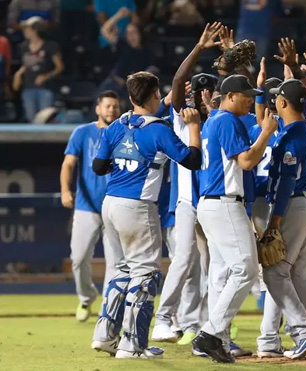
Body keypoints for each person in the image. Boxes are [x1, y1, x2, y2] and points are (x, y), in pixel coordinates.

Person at [90, 71, 202, 359]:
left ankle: (105, 336)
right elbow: (192, 160)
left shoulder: (116, 125)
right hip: (138, 206)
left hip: (110, 204)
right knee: (146, 275)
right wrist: (193, 127)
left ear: (129, 98)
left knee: (122, 271)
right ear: (154, 95)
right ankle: (133, 346)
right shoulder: (159, 129)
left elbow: (99, 167)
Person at [191, 74, 277, 363]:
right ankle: (211, 333)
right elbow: (246, 161)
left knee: (224, 274)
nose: (250, 99)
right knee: (247, 270)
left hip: (212, 203)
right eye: (245, 94)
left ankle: (217, 339)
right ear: (229, 96)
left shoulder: (215, 119)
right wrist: (265, 132)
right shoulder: (226, 120)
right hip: (224, 203)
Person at [152, 22, 221, 347]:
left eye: (208, 90)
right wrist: (199, 47)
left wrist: (227, 56)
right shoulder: (183, 116)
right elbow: (179, 81)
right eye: (198, 90)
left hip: (215, 201)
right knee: (184, 261)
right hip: (185, 201)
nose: (202, 94)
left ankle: (204, 325)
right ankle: (164, 319)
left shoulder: (222, 119)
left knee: (213, 266)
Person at [263, 78, 306, 359]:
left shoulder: (290, 135)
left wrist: (275, 221)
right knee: (303, 275)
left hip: (292, 206)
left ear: (281, 102)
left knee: (274, 272)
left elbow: (287, 181)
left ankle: (305, 331)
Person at [60, 90, 121, 322]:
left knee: (114, 262)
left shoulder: (124, 132)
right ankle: (86, 297)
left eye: (115, 106)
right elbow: (68, 164)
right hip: (87, 206)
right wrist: (66, 190)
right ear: (98, 108)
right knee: (78, 257)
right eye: (107, 106)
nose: (111, 110)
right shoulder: (83, 132)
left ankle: (107, 308)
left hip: (115, 205)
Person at [12, 16, 63, 123]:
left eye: (27, 29)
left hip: (45, 87)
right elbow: (26, 64)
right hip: (28, 86)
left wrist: (45, 76)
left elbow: (59, 67)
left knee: (45, 118)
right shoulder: (24, 46)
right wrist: (18, 74)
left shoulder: (50, 46)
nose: (24, 31)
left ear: (35, 30)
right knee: (31, 118)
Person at [99, 8, 156, 101]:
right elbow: (105, 30)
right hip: (115, 84)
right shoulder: (122, 44)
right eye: (128, 33)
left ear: (140, 34)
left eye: (134, 32)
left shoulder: (147, 51)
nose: (131, 36)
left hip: (136, 87)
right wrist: (119, 15)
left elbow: (150, 72)